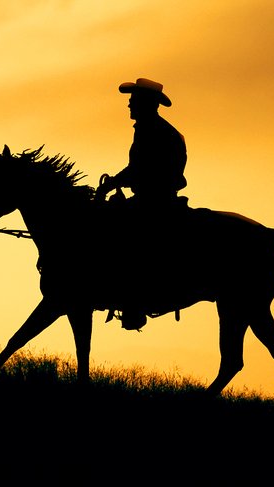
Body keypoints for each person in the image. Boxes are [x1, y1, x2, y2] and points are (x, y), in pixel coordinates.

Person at [97, 77, 188, 330]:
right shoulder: (156, 129)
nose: (128, 104)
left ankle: (132, 302)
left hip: (154, 200)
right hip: (154, 197)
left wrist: (112, 183)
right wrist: (117, 181)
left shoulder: (154, 131)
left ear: (146, 103)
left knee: (120, 238)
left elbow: (140, 169)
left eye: (133, 100)